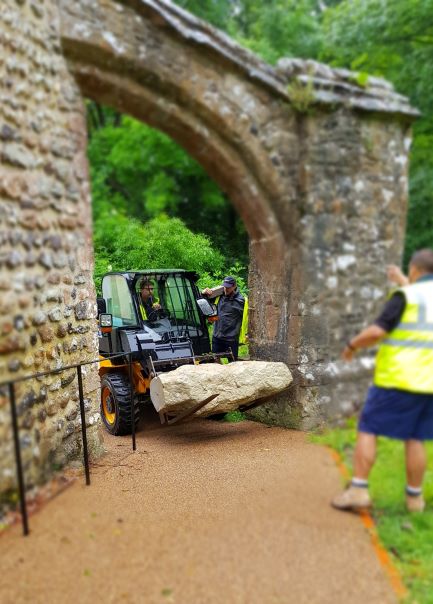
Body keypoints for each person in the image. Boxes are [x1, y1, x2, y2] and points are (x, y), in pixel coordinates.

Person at [332, 249, 433, 513]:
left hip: (396, 379)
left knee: (368, 428)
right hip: (427, 383)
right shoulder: (422, 294)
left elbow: (377, 331)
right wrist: (403, 280)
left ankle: (358, 490)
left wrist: (351, 345)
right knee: (415, 437)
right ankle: (415, 500)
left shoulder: (405, 296)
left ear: (415, 270)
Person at [202, 276, 245, 360]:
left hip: (231, 339)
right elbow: (202, 302)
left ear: (234, 286)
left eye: (228, 287)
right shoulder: (218, 296)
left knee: (233, 364)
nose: (226, 289)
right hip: (217, 337)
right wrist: (203, 293)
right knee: (214, 362)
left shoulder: (240, 301)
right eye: (225, 286)